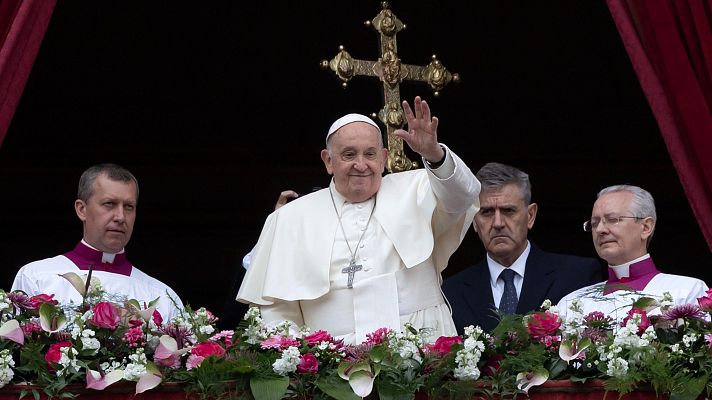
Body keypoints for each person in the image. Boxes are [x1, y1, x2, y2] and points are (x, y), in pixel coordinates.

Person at [237, 96, 480, 344]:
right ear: (328, 161)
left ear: (384, 158)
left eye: (370, 154)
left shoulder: (418, 188)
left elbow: (464, 196)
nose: (361, 165)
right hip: (330, 362)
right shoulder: (289, 218)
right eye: (349, 154)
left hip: (421, 347)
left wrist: (435, 155)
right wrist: (299, 360)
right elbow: (276, 307)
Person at [443, 162, 602, 333]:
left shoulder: (578, 276)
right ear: (474, 220)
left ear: (530, 215)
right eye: (487, 212)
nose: (498, 223)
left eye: (508, 211)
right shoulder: (451, 293)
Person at [11, 163, 184, 320]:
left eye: (129, 206)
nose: (120, 217)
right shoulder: (36, 277)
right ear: (82, 209)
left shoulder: (163, 296)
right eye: (109, 204)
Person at [557, 184, 709, 322]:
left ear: (645, 227)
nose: (600, 230)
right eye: (594, 223)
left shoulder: (688, 291)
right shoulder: (571, 303)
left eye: (612, 219)